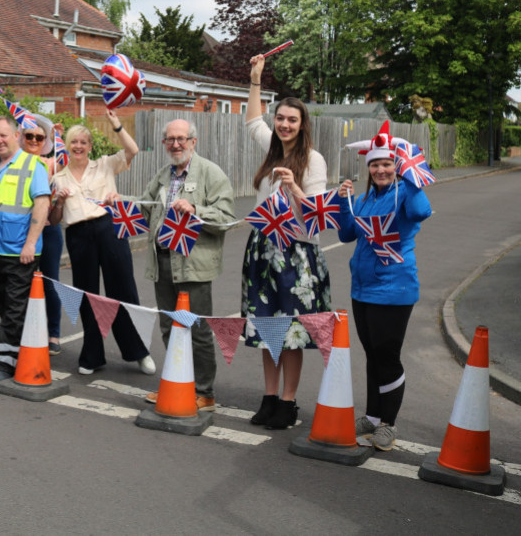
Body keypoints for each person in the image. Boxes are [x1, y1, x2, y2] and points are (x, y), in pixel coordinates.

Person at [243, 54, 332, 429]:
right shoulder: (271, 148)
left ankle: (289, 402)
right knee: (268, 328)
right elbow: (251, 121)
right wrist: (255, 79)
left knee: (292, 331)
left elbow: (316, 218)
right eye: (280, 118)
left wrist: (294, 187)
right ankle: (268, 397)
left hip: (296, 253)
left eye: (291, 120)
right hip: (263, 249)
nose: (283, 124)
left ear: (302, 124)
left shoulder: (313, 160)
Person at [337, 127, 432, 451]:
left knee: (387, 355)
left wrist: (409, 175)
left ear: (397, 166)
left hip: (395, 288)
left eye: (387, 164)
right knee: (372, 355)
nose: (380, 170)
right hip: (362, 288)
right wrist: (344, 202)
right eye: (375, 165)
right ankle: (373, 416)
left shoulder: (405, 192)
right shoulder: (364, 199)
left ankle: (388, 424)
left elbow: (422, 211)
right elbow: (347, 235)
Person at [134, 118, 235, 409]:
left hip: (193, 265)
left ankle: (204, 392)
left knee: (198, 330)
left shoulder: (210, 173)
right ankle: (177, 384)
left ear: (193, 141)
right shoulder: (164, 175)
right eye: (170, 139)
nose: (175, 144)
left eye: (181, 138)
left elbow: (227, 217)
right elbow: (144, 207)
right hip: (162, 262)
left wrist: (196, 209)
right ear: (164, 143)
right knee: (170, 328)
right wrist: (119, 200)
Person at [49, 110, 155, 376]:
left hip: (109, 228)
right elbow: (53, 220)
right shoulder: (59, 177)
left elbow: (133, 150)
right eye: (74, 142)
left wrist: (115, 124)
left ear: (90, 146)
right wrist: (59, 202)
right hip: (78, 235)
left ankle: (138, 352)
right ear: (68, 146)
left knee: (123, 290)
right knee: (87, 294)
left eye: (83, 142)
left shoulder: (105, 164)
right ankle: (92, 355)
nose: (79, 146)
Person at [0, 116, 51, 382]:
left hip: (21, 252)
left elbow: (42, 205)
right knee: (5, 307)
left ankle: (5, 363)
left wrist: (31, 242)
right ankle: (18, 350)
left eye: (3, 135)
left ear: (16, 135)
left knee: (15, 308)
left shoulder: (33, 165)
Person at [16, 119, 64, 354]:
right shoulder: (14, 163)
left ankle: (53, 334)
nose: (34, 141)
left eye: (40, 137)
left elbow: (70, 160)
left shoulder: (51, 164)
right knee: (20, 284)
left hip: (48, 229)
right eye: (29, 136)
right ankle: (21, 334)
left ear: (46, 142)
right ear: (21, 138)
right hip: (20, 230)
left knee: (49, 283)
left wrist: (60, 137)